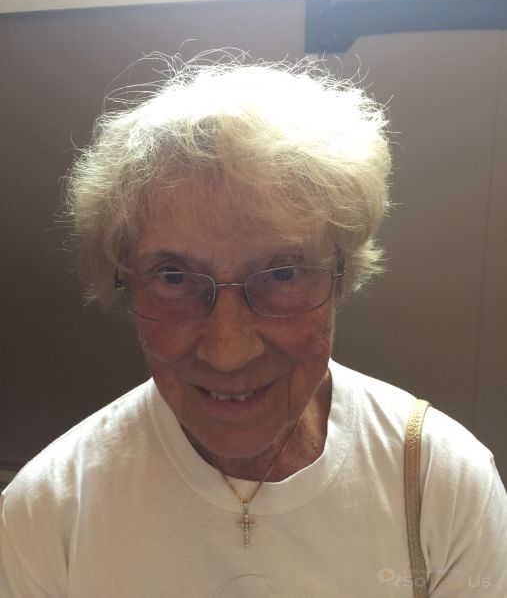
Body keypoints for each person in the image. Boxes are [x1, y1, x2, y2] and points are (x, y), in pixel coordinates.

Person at [0, 54, 505, 598]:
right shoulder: (45, 515)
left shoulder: (441, 485)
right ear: (123, 281)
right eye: (174, 277)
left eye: (283, 273)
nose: (228, 350)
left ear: (341, 276)